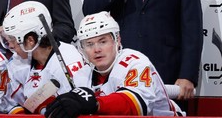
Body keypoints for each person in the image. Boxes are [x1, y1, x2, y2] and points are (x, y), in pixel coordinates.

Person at [45, 11, 184, 117]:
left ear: (117, 40)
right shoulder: (82, 74)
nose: (96, 49)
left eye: (103, 41)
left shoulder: (135, 62)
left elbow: (136, 106)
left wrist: (95, 103)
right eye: (89, 44)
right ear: (82, 49)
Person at [0, 1, 86, 114]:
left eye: (13, 40)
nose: (10, 45)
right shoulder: (18, 60)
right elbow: (8, 102)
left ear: (30, 40)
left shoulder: (68, 60)